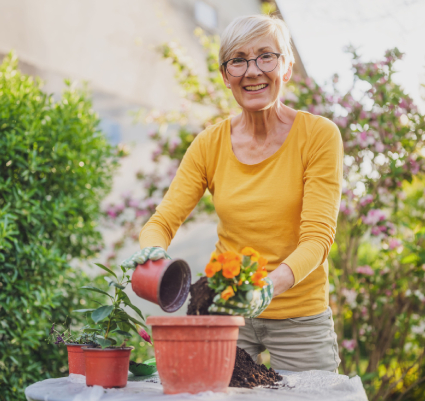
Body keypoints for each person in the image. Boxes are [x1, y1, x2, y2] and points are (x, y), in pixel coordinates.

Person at [122, 14, 343, 372]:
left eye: (266, 56)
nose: (252, 71)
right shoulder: (209, 144)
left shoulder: (318, 136)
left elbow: (317, 240)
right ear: (226, 76)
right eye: (238, 60)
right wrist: (153, 251)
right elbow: (162, 221)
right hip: (226, 311)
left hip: (300, 316)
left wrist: (265, 287)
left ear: (286, 68)